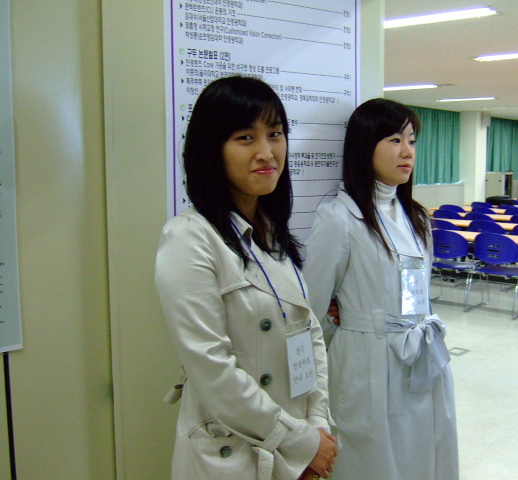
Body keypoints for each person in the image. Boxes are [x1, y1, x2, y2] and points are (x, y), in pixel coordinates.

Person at [155, 76, 337, 480]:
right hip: (232, 450)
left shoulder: (273, 234)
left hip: (295, 438)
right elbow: (212, 371)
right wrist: (301, 444)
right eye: (245, 138)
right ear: (211, 149)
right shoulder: (189, 239)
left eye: (275, 134)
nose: (266, 152)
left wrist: (318, 424)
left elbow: (309, 333)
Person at [303, 98, 458, 480]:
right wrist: (345, 330)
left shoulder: (416, 217)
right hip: (366, 361)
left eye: (412, 140)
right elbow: (311, 311)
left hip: (421, 355)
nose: (407, 152)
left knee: (422, 453)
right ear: (364, 145)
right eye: (394, 140)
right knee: (373, 461)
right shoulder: (339, 218)